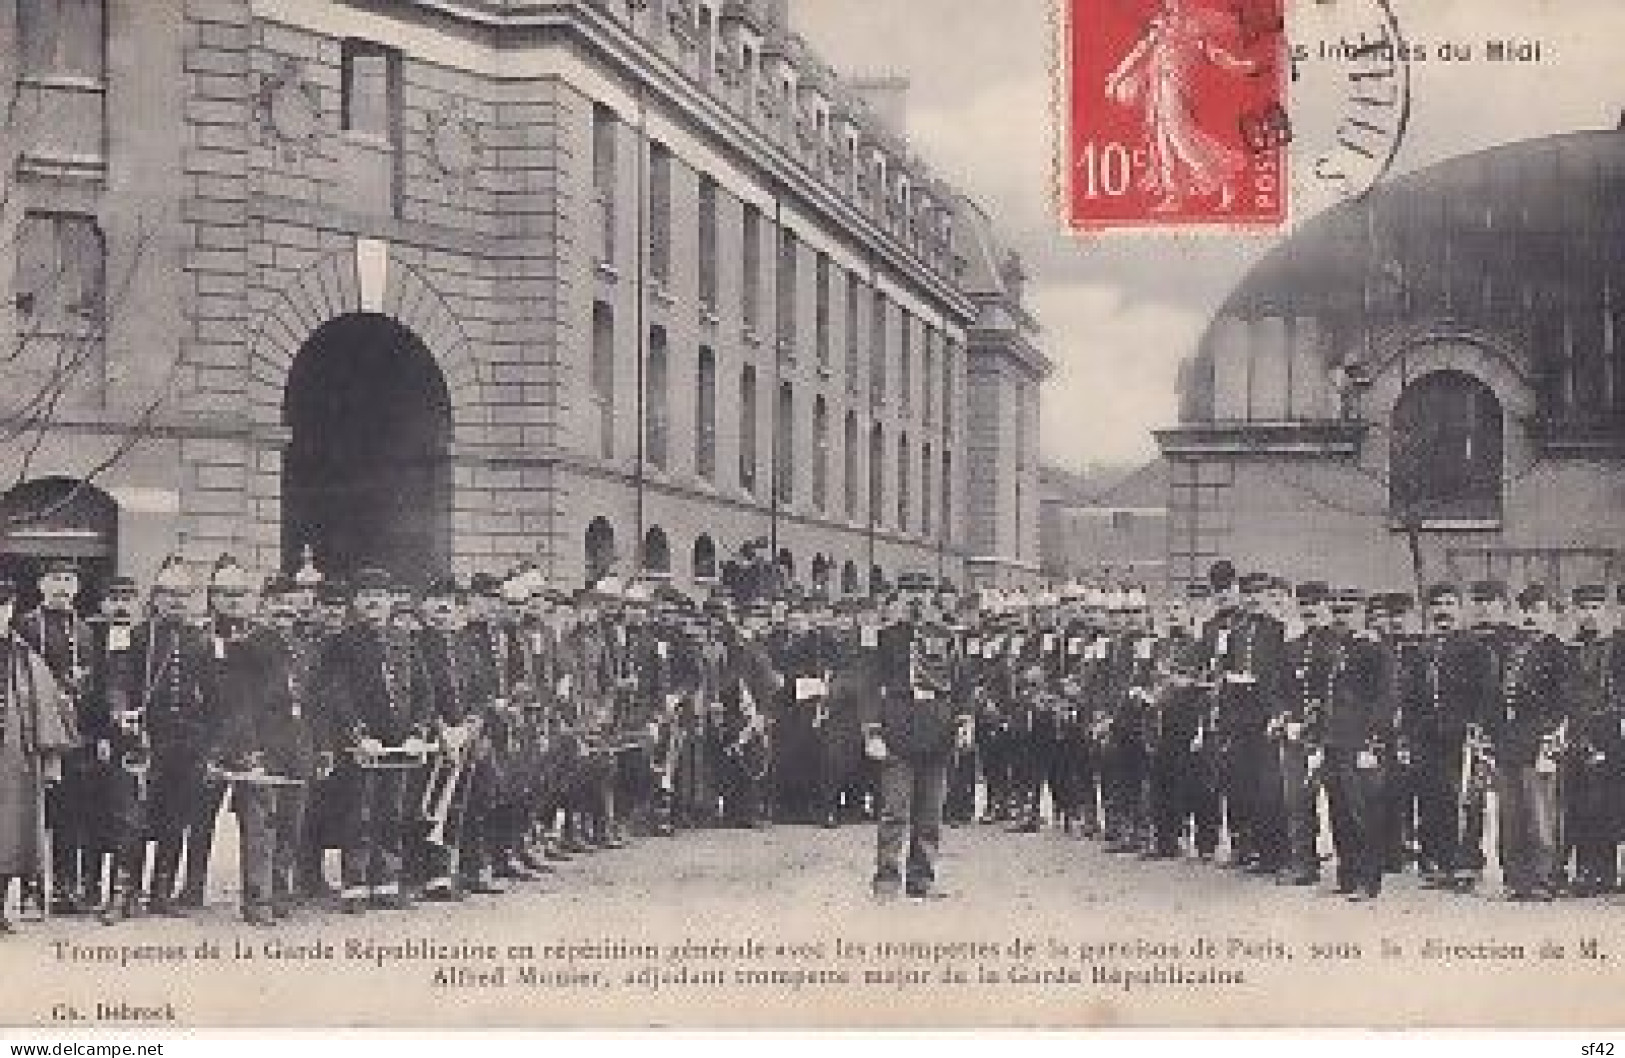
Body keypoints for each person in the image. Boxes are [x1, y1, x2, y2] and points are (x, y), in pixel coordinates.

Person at [317, 567, 433, 913]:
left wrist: (417, 732)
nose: (373, 603)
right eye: (366, 596)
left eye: (379, 597)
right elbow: (335, 694)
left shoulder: (406, 640)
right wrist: (358, 734)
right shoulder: (341, 642)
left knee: (392, 813)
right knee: (359, 813)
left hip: (398, 746)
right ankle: (355, 885)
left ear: (389, 602)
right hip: (361, 746)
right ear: (356, 602)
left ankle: (387, 883)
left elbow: (425, 694)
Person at [863, 572, 973, 901]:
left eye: (923, 592)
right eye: (910, 592)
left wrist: (964, 722)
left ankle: (921, 880)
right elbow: (868, 687)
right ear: (901, 597)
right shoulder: (884, 639)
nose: (917, 599)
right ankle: (886, 881)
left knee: (929, 814)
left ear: (932, 597)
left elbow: (962, 684)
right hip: (897, 732)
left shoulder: (949, 637)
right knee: (895, 811)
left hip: (937, 732)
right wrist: (872, 732)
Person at [1488, 585, 1576, 902]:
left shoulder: (1560, 654)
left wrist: (1550, 742)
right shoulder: (1511, 652)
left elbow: (1565, 703)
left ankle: (1544, 878)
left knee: (1541, 816)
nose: (1530, 618)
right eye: (1525, 611)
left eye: (1538, 610)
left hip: (1540, 744)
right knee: (1511, 816)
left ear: (1552, 616)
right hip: (1509, 745)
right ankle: (1516, 878)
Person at [0, 577, 78, 932]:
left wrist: (48, 759)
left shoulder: (22, 654)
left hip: (13, 754)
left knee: (10, 833)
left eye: (3, 606)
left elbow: (47, 706)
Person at [1319, 588, 1396, 901]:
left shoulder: (1375, 651)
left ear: (1363, 613)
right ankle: (1348, 874)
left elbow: (1385, 699)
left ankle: (1368, 879)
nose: (1341, 617)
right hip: (1335, 741)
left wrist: (1372, 741)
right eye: (1337, 611)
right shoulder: (1337, 649)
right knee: (1339, 811)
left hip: (1362, 743)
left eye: (1348, 610)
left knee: (1364, 812)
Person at [1566, 584, 1623, 896]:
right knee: (1579, 804)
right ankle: (1586, 871)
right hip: (1578, 733)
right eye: (1583, 608)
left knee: (1609, 804)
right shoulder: (1571, 649)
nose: (1589, 615)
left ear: (1607, 611)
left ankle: (1607, 872)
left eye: (1595, 608)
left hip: (1611, 735)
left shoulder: (1619, 647)